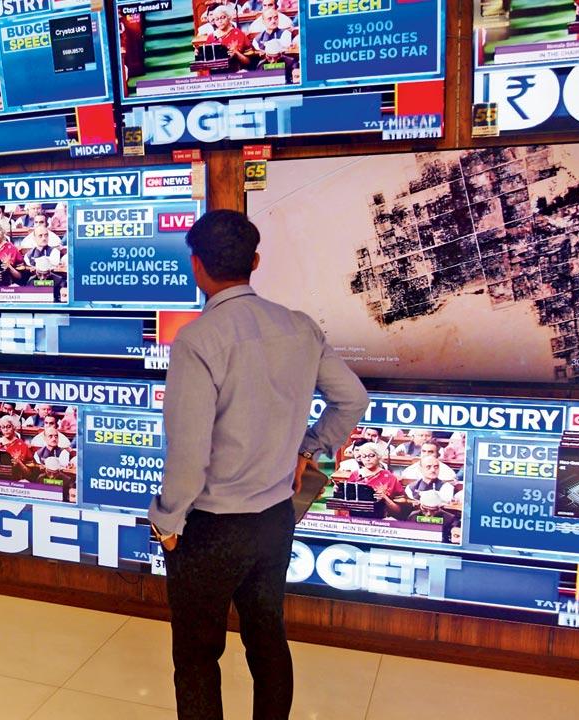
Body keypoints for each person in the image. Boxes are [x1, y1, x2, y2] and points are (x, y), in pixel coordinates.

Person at [148, 210, 369, 720]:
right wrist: (311, 448)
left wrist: (165, 520)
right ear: (256, 261)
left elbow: (188, 456)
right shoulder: (299, 327)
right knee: (267, 640)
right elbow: (352, 399)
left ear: (196, 267)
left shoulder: (199, 340)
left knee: (198, 656)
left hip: (210, 529)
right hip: (274, 519)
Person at [345, 441, 403, 517]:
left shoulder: (389, 477)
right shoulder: (355, 474)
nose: (367, 459)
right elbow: (347, 500)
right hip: (356, 516)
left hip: (380, 517)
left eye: (371, 456)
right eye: (364, 456)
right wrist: (339, 491)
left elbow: (399, 509)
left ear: (378, 456)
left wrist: (385, 498)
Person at [198, 5, 252, 70]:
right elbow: (206, 61)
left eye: (223, 17)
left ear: (229, 17)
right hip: (216, 73)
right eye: (217, 19)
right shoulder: (211, 37)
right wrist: (199, 54)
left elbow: (249, 61)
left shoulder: (238, 33)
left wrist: (236, 53)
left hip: (236, 71)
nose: (220, 21)